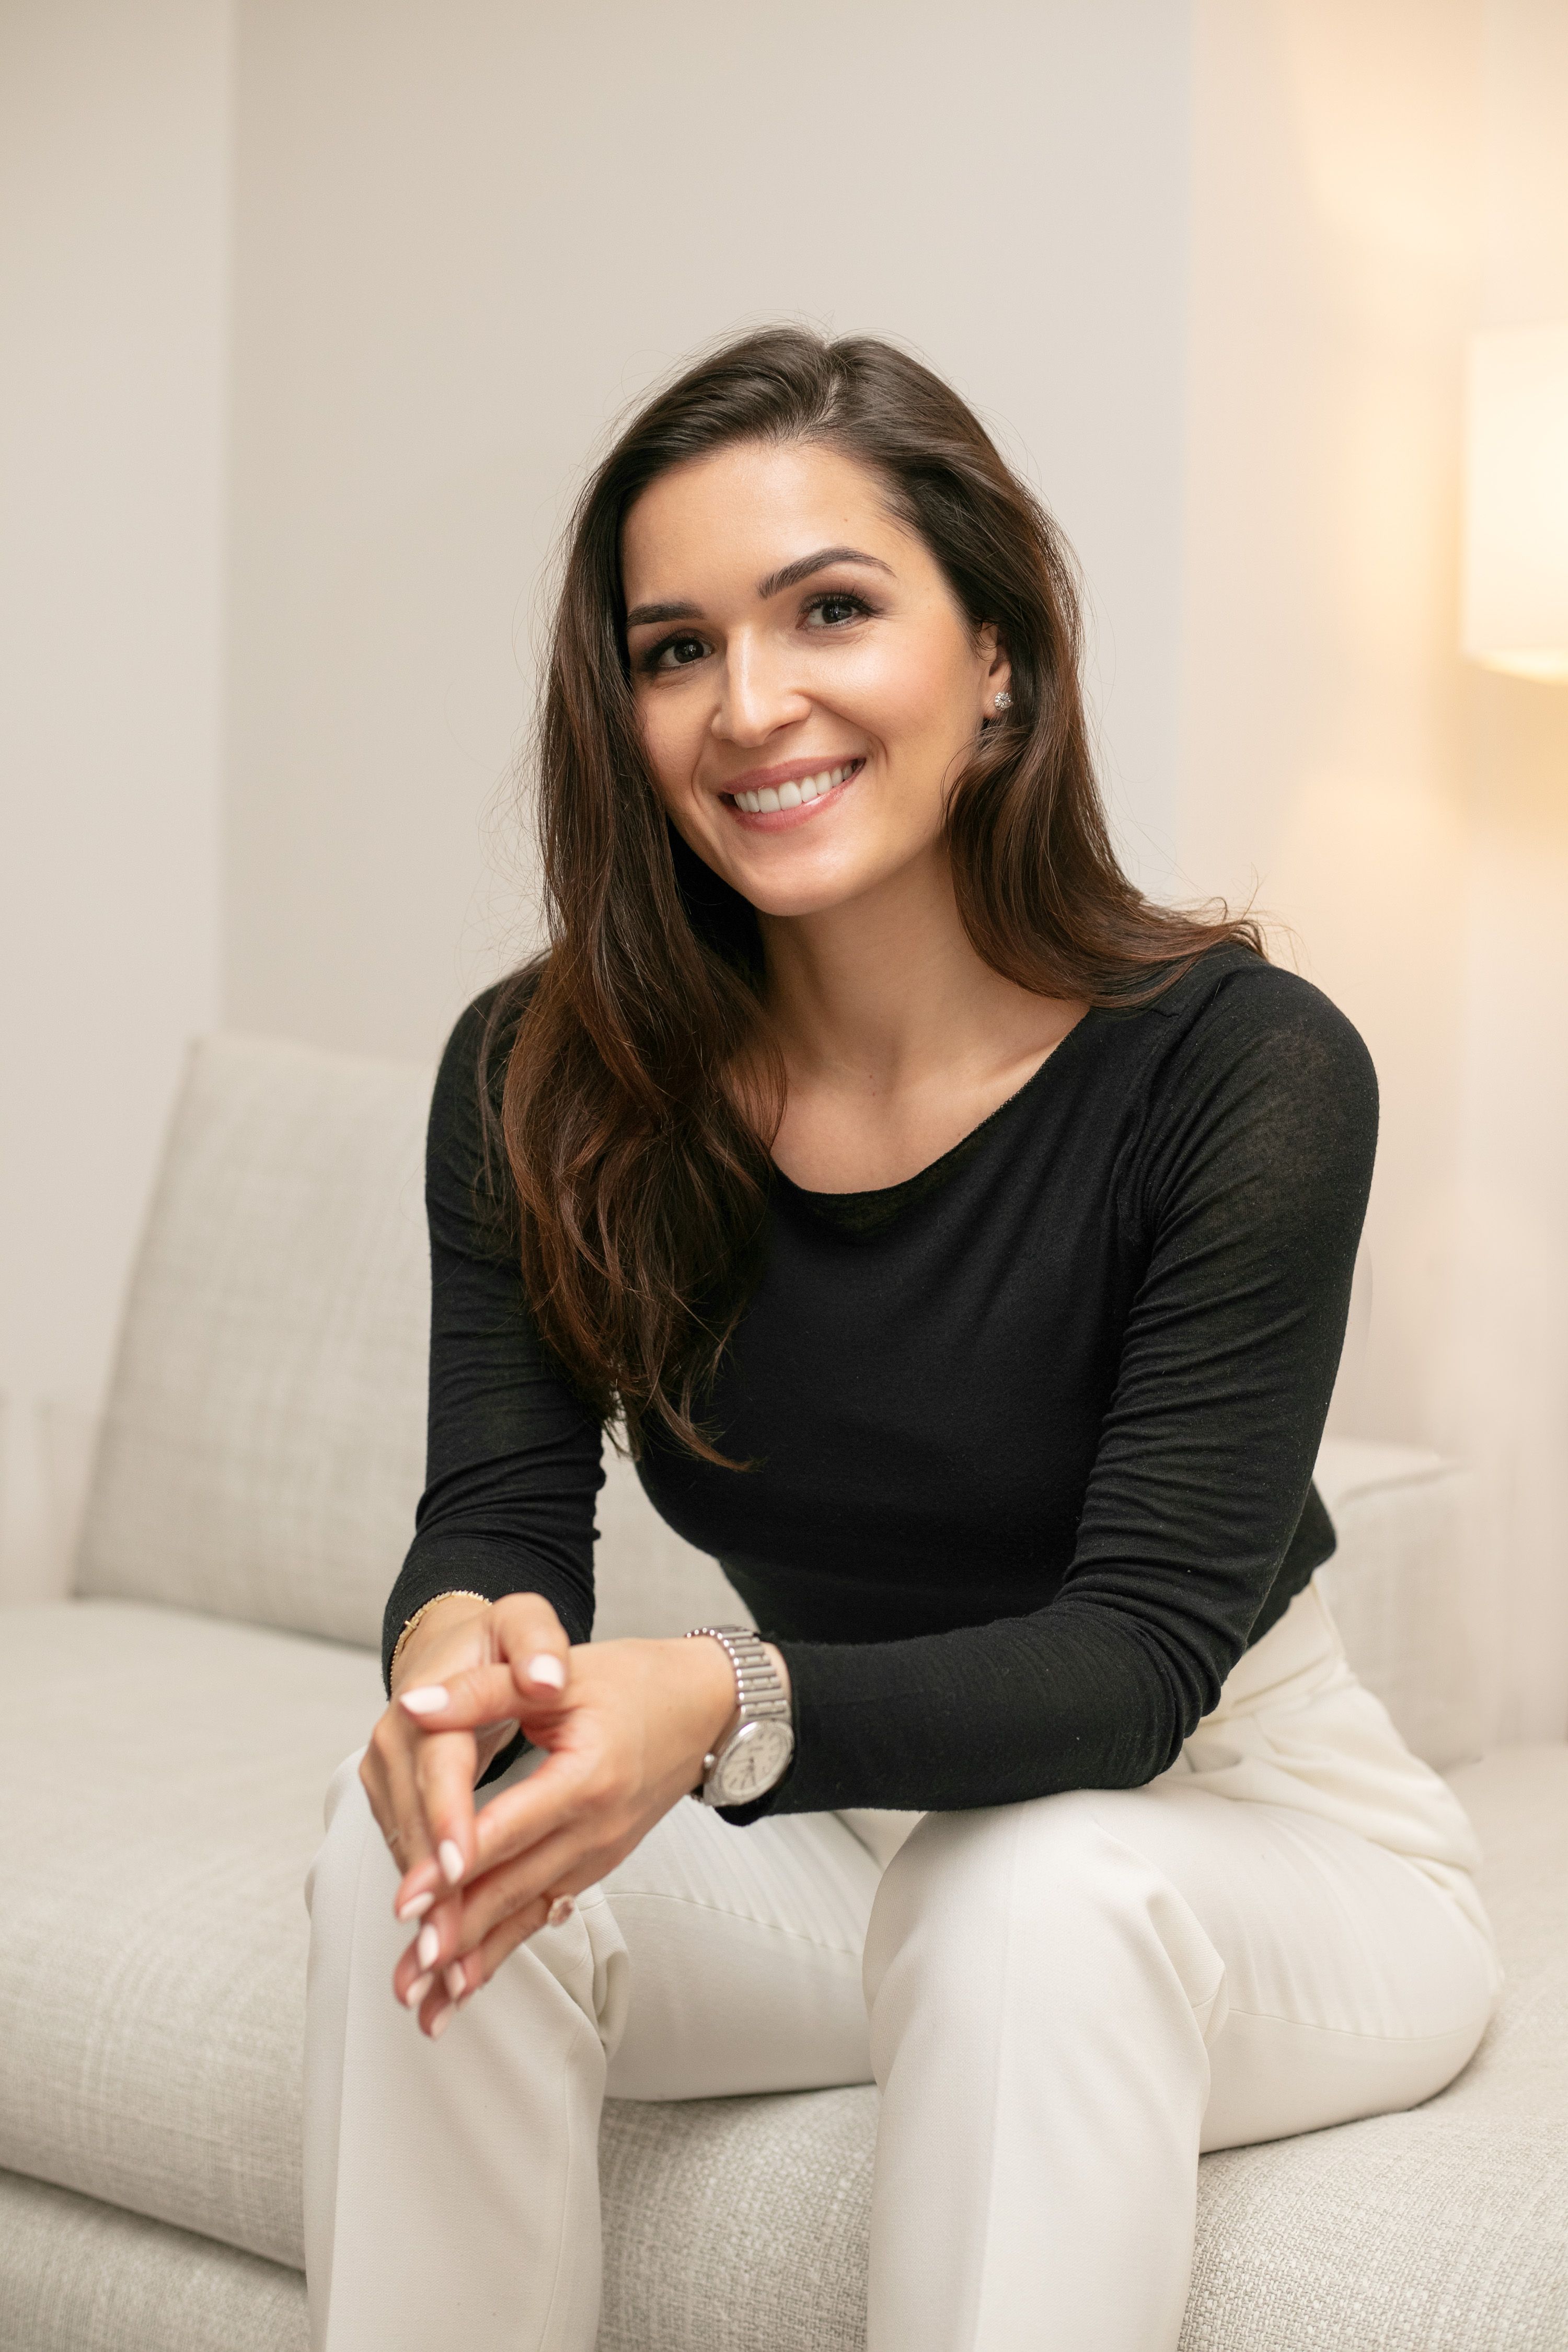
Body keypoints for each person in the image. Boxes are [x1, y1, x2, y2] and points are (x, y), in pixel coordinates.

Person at [303, 328, 1498, 2352]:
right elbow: (498, 1510)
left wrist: (721, 1695)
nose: (747, 704)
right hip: (853, 1835)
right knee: (411, 1836)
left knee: (1020, 1899)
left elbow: (1129, 1672)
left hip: (1244, 1831)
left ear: (1001, 656)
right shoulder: (539, 1071)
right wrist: (459, 1669)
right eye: (672, 648)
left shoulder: (1241, 1068)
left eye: (830, 611)